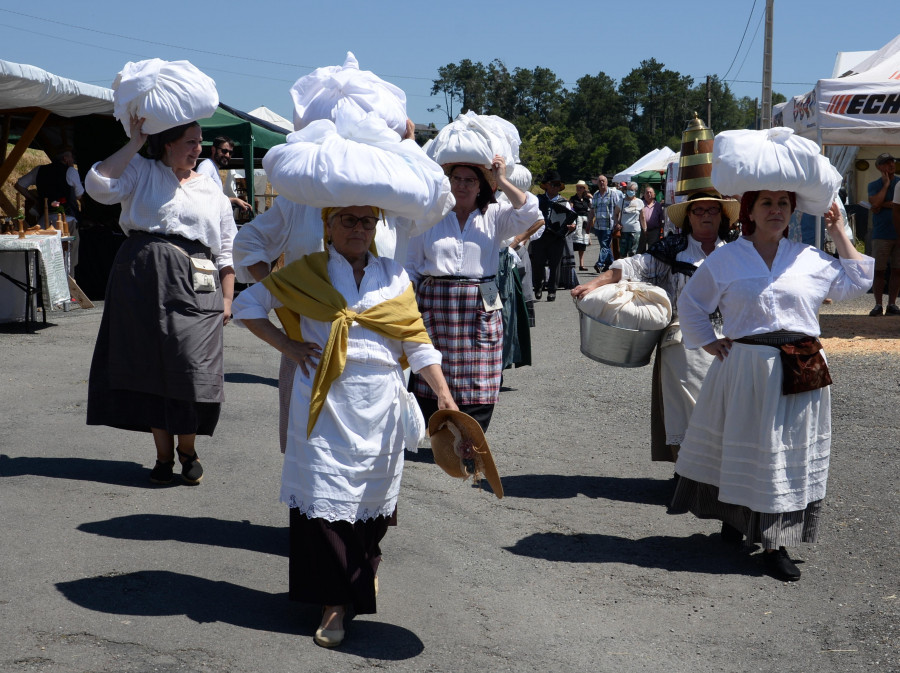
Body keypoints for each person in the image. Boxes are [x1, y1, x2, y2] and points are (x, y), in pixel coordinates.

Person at [233, 205, 457, 648]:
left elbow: (416, 340)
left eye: (367, 222)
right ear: (328, 225)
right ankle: (333, 602)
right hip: (324, 400)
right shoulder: (306, 271)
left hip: (380, 402)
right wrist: (289, 345)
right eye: (348, 220)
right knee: (322, 500)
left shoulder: (395, 276)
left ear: (376, 228)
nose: (358, 229)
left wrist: (445, 397)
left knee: (371, 502)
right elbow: (247, 305)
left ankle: (362, 573)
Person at [671, 136, 874, 581]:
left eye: (784, 202)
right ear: (750, 208)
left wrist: (839, 229)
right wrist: (709, 341)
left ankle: (776, 542)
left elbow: (858, 281)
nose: (776, 210)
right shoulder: (727, 259)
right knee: (747, 449)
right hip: (745, 368)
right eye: (767, 202)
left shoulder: (808, 258)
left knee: (783, 455)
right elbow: (692, 305)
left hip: (801, 369)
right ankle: (737, 517)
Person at [84, 116, 236, 485]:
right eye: (190, 142)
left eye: (200, 142)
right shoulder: (142, 170)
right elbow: (98, 186)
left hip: (196, 281)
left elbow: (227, 249)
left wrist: (228, 298)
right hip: (141, 277)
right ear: (168, 143)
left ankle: (188, 447)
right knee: (150, 364)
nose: (198, 149)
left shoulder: (211, 191)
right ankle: (164, 457)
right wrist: (135, 142)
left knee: (190, 365)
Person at [572, 191, 739, 462]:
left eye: (713, 211)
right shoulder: (673, 249)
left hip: (733, 338)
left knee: (730, 406)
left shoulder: (738, 249)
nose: (707, 216)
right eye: (699, 211)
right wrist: (593, 283)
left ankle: (725, 476)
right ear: (688, 217)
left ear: (722, 217)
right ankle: (690, 474)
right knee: (690, 408)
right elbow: (631, 267)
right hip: (686, 340)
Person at [406, 156, 541, 432]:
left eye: (470, 180)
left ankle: (472, 434)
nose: (462, 185)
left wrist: (502, 179)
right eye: (457, 179)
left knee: (482, 363)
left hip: (484, 292)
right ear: (449, 182)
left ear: (481, 186)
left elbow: (530, 212)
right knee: (433, 361)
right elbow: (411, 265)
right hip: (436, 297)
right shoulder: (430, 215)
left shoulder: (495, 214)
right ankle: (439, 431)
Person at [529, 170, 575, 301]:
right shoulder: (537, 200)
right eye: (552, 184)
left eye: (557, 185)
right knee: (538, 263)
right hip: (539, 236)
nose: (555, 187)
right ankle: (538, 286)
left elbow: (571, 220)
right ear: (546, 185)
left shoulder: (564, 202)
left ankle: (552, 290)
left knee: (555, 264)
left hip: (557, 237)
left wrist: (572, 227)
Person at [866, 152, 900, 315]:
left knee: (897, 270)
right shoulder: (874, 184)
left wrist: (883, 204)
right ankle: (878, 304)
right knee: (878, 270)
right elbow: (875, 203)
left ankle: (892, 304)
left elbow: (879, 205)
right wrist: (886, 186)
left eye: (892, 161)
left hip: (898, 233)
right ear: (879, 167)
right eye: (886, 163)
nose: (891, 165)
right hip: (881, 234)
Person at [195, 135, 253, 213]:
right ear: (213, 150)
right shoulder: (207, 166)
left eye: (230, 152)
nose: (228, 155)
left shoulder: (212, 167)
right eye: (224, 151)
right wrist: (233, 200)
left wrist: (233, 200)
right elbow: (200, 194)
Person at [590, 175, 621, 272]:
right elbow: (592, 210)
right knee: (605, 246)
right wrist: (589, 223)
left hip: (609, 224)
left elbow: (618, 209)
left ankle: (599, 263)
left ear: (607, 182)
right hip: (598, 225)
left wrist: (617, 223)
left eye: (603, 181)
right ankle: (610, 264)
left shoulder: (612, 193)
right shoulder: (595, 195)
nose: (601, 183)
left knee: (604, 245)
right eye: (599, 181)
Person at [617, 182, 645, 258]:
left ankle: (632, 268)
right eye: (629, 189)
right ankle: (623, 268)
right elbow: (615, 214)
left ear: (636, 191)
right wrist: (617, 223)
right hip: (624, 231)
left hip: (635, 230)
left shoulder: (639, 202)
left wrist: (644, 228)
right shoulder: (621, 201)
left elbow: (642, 217)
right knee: (623, 252)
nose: (630, 191)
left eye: (632, 190)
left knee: (633, 252)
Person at [570, 180, 592, 270]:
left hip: (585, 221)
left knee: (582, 244)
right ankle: (571, 263)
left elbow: (593, 207)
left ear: (584, 189)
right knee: (574, 243)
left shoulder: (587, 199)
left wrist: (591, 197)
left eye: (581, 187)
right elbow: (570, 209)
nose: (578, 189)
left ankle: (581, 264)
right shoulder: (573, 198)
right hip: (576, 220)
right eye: (578, 187)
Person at [639, 185, 664, 253]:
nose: (649, 194)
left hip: (654, 231)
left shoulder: (658, 205)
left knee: (653, 250)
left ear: (654, 195)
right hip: (642, 231)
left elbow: (661, 219)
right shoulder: (640, 204)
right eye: (647, 193)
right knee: (641, 250)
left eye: (650, 192)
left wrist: (661, 230)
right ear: (644, 195)